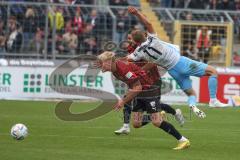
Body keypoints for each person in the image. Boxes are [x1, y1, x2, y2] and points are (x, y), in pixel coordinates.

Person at [126, 6, 228, 118]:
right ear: (145, 35)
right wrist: (137, 13)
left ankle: (193, 105)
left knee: (191, 93)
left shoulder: (138, 52)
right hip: (181, 63)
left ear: (135, 42)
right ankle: (213, 99)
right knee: (213, 72)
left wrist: (112, 59)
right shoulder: (153, 39)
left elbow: (128, 59)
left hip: (172, 71)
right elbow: (149, 24)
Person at [98, 51, 190, 150]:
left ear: (109, 62)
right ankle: (158, 114)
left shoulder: (123, 69)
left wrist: (123, 101)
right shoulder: (114, 69)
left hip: (149, 90)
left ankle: (183, 140)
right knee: (136, 124)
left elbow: (138, 87)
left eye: (102, 62)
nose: (100, 65)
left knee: (157, 122)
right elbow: (134, 85)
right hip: (139, 92)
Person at [114, 30, 184, 135]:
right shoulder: (131, 50)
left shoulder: (145, 48)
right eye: (128, 39)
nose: (130, 41)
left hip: (153, 81)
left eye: (130, 39)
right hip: (139, 82)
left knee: (147, 105)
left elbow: (153, 62)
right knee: (133, 111)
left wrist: (140, 71)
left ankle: (173, 113)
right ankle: (127, 125)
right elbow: (126, 61)